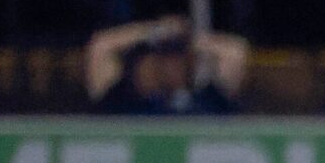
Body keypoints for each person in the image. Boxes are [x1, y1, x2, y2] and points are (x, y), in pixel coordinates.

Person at [86, 16, 246, 116]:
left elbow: (235, 51)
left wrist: (185, 36)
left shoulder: (208, 101)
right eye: (162, 58)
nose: (170, 66)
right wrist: (154, 31)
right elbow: (101, 45)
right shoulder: (122, 102)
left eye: (178, 59)